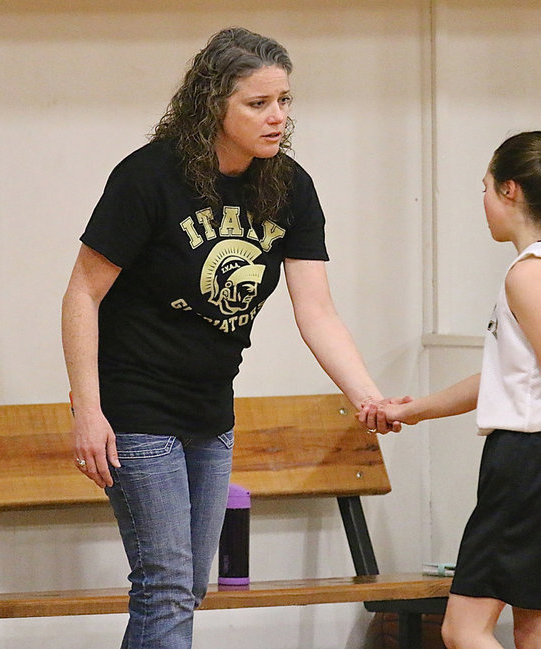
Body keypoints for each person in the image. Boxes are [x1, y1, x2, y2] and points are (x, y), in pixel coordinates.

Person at [61, 27, 399, 649]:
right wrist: (88, 409)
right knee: (165, 584)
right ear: (213, 105)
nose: (278, 117)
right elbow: (82, 293)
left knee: (188, 585)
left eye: (284, 101)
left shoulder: (290, 186)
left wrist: (367, 395)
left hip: (210, 407)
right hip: (136, 404)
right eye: (258, 103)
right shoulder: (150, 176)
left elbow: (317, 311)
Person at [360, 131, 541, 649]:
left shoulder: (529, 275)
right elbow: (512, 378)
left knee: (462, 629)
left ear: (510, 190)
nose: (482, 200)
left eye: (485, 187)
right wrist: (415, 409)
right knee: (539, 629)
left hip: (531, 465)